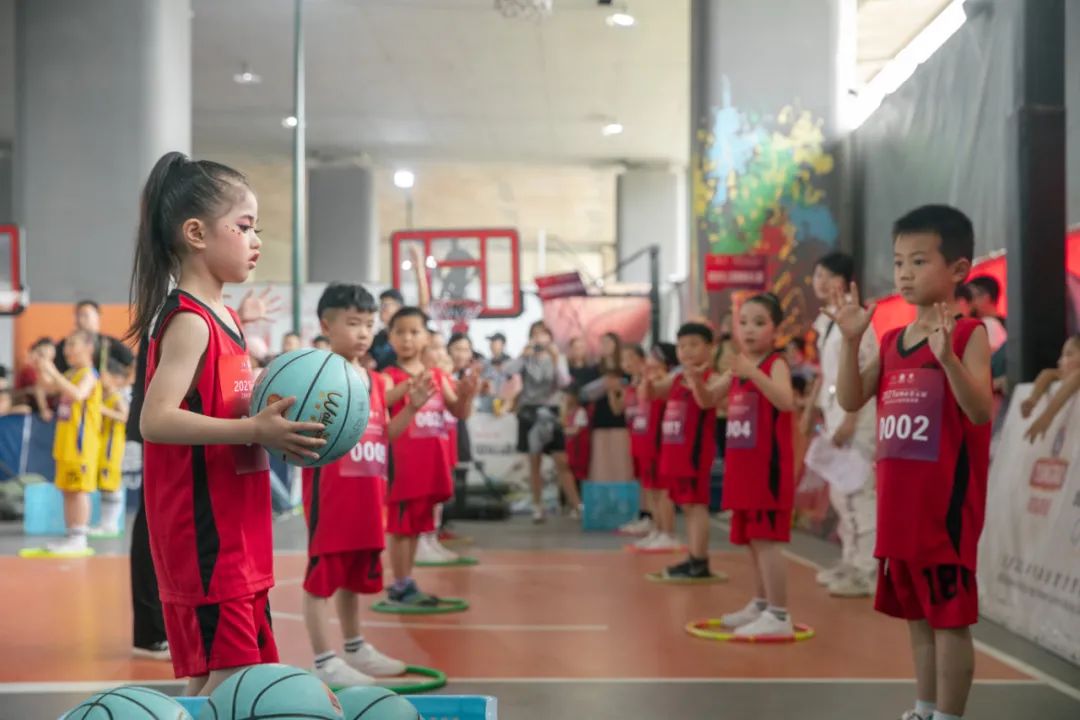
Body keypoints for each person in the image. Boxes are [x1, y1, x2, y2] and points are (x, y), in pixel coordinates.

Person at [130, 152, 326, 695]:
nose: (255, 239)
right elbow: (156, 419)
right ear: (195, 233)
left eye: (256, 227)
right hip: (204, 533)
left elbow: (226, 402)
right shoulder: (190, 321)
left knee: (219, 680)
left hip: (237, 521)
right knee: (233, 681)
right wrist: (254, 431)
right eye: (243, 226)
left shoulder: (226, 316)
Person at [831, 204, 992, 720]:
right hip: (899, 507)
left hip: (943, 509)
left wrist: (947, 360)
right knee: (917, 617)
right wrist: (853, 338)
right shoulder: (893, 341)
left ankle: (948, 715)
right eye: (899, 262)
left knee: (948, 620)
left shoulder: (969, 336)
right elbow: (853, 398)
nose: (904, 273)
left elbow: (980, 409)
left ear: (959, 270)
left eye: (919, 261)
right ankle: (925, 708)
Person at [302, 283, 416, 687]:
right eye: (353, 323)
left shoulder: (378, 382)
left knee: (353, 576)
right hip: (331, 495)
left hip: (369, 493)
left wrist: (413, 407)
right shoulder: (314, 374)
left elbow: (385, 434)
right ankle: (324, 658)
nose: (364, 332)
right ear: (326, 325)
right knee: (322, 578)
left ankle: (354, 647)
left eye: (369, 324)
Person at [706, 294, 797, 638]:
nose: (749, 329)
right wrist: (697, 376)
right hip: (742, 471)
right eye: (743, 322)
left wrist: (751, 373)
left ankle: (779, 614)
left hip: (768, 472)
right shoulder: (738, 366)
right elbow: (708, 398)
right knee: (751, 540)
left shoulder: (775, 363)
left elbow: (786, 401)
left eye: (759, 322)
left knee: (767, 539)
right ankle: (761, 604)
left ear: (776, 329)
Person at [382, 307, 476, 607]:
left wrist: (468, 394)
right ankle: (399, 584)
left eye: (414, 332)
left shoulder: (437, 375)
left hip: (430, 466)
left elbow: (458, 412)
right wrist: (409, 387)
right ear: (390, 337)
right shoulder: (388, 376)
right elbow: (382, 402)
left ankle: (407, 581)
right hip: (402, 467)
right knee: (400, 528)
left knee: (414, 528)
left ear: (426, 337)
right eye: (400, 332)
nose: (407, 338)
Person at [810, 250, 878, 598]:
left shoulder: (858, 320)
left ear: (843, 281)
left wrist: (851, 419)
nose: (818, 282)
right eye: (816, 275)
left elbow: (865, 369)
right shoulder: (827, 323)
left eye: (825, 275)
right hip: (837, 418)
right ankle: (851, 561)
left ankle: (868, 571)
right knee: (841, 495)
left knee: (858, 494)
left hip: (858, 422)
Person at [646, 322, 720, 580]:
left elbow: (709, 399)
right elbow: (654, 392)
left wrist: (697, 381)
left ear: (710, 347)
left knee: (696, 505)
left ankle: (699, 561)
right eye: (681, 346)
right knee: (687, 506)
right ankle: (693, 556)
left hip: (694, 453)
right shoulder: (677, 377)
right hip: (675, 450)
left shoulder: (712, 377)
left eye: (694, 345)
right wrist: (647, 378)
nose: (687, 351)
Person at [504, 321, 583, 522]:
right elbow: (507, 370)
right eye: (535, 334)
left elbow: (565, 382)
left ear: (550, 337)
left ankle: (576, 505)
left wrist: (556, 358)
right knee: (534, 462)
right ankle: (537, 507)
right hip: (530, 413)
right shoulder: (526, 358)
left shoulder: (558, 358)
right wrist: (523, 355)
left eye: (543, 334)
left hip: (551, 412)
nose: (539, 338)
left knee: (561, 460)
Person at [36, 330, 103, 554]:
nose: (67, 350)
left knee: (78, 490)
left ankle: (80, 537)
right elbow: (48, 387)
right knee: (67, 490)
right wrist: (42, 364)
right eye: (66, 346)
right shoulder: (72, 372)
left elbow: (77, 394)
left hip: (81, 444)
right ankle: (71, 535)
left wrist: (52, 370)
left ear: (89, 348)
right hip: (65, 443)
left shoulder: (89, 374)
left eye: (73, 344)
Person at [127, 334, 170, 661]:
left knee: (158, 525)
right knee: (153, 524)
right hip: (158, 435)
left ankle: (156, 629)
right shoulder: (171, 310)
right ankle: (150, 632)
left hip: (156, 431)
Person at [624, 343, 679, 551]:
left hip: (659, 442)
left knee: (662, 490)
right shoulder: (646, 382)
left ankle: (669, 532)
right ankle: (657, 529)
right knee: (652, 489)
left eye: (654, 357)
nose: (649, 361)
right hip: (644, 440)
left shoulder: (667, 383)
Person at [91, 358, 132, 537]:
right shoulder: (104, 396)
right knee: (105, 483)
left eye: (105, 376)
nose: (101, 379)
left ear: (116, 378)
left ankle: (111, 524)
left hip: (113, 444)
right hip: (103, 442)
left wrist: (101, 410)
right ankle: (106, 523)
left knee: (112, 482)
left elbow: (125, 416)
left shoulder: (117, 396)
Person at [585, 332, 633, 482]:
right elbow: (584, 394)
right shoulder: (594, 369)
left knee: (621, 462)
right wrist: (603, 385)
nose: (605, 346)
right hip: (600, 419)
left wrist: (619, 385)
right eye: (602, 343)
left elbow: (631, 384)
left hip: (622, 421)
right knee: (602, 463)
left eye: (608, 343)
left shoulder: (625, 369)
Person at [1022, 334, 1080, 443]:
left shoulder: (1077, 375)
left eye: (1069, 354)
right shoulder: (1065, 376)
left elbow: (1076, 377)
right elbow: (1047, 374)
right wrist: (1033, 399)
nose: (1060, 361)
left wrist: (1047, 416)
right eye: (1062, 355)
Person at [54, 300, 127, 376]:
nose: (80, 319)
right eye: (78, 315)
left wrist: (121, 383)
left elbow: (132, 363)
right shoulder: (64, 343)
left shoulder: (109, 342)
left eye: (85, 315)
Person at [16, 337, 57, 420]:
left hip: (54, 410)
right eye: (41, 352)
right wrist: (44, 409)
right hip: (34, 410)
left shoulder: (54, 369)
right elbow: (39, 388)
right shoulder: (28, 371)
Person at [966, 276, 1006, 352]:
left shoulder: (988, 324)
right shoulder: (1006, 323)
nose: (970, 303)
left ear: (986, 297)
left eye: (970, 297)